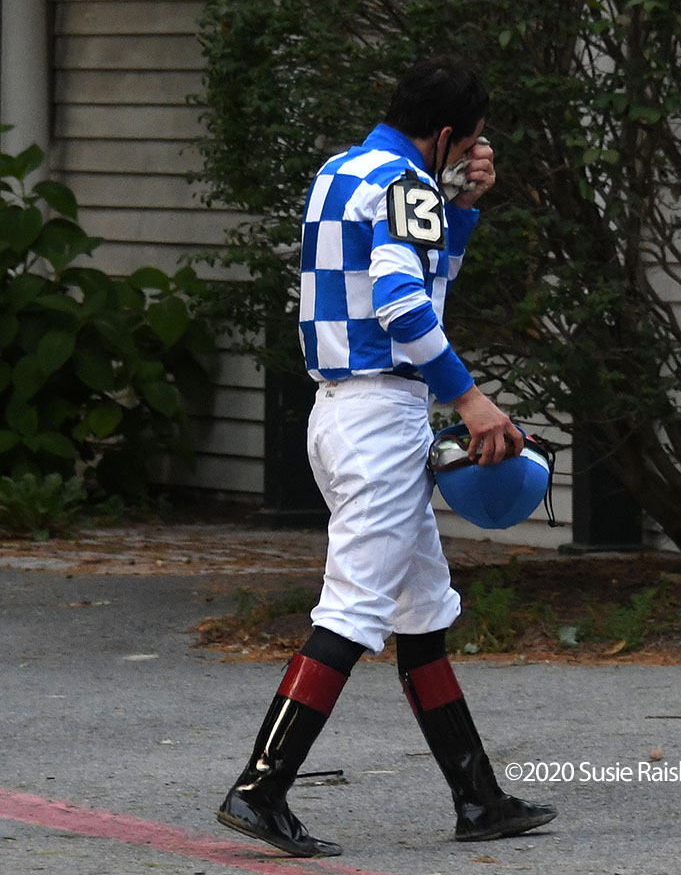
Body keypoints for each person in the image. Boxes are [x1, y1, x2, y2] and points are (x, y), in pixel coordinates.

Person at [216, 54, 557, 857]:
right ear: (444, 134)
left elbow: (407, 282)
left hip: (342, 410)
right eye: (464, 143)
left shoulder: (345, 170)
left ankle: (478, 799)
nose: (465, 153)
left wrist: (460, 205)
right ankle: (260, 787)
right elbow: (405, 303)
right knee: (354, 609)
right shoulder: (408, 187)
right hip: (381, 414)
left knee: (422, 609)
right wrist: (471, 399)